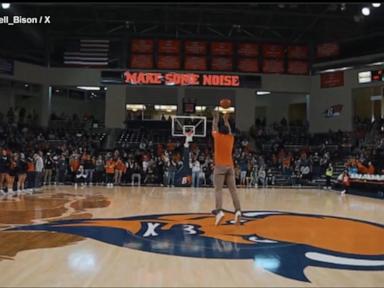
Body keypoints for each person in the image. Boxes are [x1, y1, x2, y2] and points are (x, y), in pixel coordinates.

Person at [211, 111, 241, 226]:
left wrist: (216, 118)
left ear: (219, 131)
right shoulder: (231, 138)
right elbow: (228, 130)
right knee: (233, 190)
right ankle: (238, 211)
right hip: (230, 166)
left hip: (220, 166)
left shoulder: (217, 137)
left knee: (218, 190)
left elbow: (214, 127)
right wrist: (226, 120)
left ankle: (219, 212)